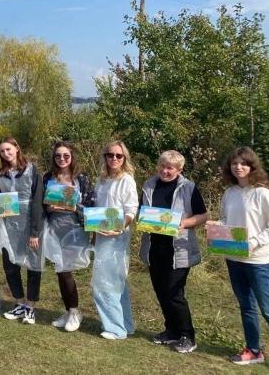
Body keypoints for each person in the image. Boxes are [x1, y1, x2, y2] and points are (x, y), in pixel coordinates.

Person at [218, 147, 269, 375]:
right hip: (233, 258)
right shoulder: (229, 193)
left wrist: (253, 243)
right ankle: (254, 350)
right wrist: (217, 228)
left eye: (243, 163)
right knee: (246, 307)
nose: (238, 167)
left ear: (252, 167)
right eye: (234, 163)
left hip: (257, 260)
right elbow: (226, 220)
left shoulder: (263, 194)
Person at [138, 150, 207, 354]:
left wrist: (183, 223)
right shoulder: (149, 185)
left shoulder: (188, 187)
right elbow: (143, 210)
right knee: (161, 291)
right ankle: (172, 330)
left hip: (179, 250)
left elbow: (203, 215)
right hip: (154, 248)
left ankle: (188, 335)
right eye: (162, 166)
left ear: (179, 169)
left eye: (170, 168)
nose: (165, 171)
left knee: (174, 293)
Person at [42, 141, 95, 332]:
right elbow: (42, 204)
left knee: (66, 271)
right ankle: (69, 310)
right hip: (54, 229)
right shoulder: (48, 177)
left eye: (66, 155)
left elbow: (90, 205)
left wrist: (73, 207)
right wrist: (48, 207)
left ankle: (74, 311)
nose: (62, 159)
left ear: (72, 157)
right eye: (58, 156)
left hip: (74, 230)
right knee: (60, 270)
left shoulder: (81, 178)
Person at [0, 137, 44, 325]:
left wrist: (35, 232)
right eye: (2, 151)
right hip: (8, 226)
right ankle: (19, 303)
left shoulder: (32, 170)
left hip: (30, 223)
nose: (6, 153)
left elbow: (38, 201)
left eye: (8, 149)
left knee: (32, 265)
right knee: (10, 265)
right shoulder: (0, 174)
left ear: (16, 147)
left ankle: (30, 307)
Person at [91, 140, 138, 340]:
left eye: (119, 156)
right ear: (105, 157)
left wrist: (120, 227)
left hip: (116, 237)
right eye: (110, 155)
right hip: (100, 236)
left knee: (103, 283)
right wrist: (93, 233)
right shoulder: (101, 179)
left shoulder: (126, 180)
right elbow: (96, 208)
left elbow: (131, 210)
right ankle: (126, 325)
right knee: (117, 281)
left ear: (124, 158)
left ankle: (115, 329)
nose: (114, 159)